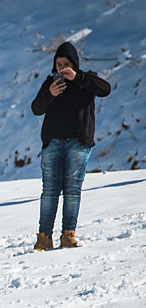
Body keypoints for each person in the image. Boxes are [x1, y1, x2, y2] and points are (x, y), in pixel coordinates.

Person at [31, 42, 111, 251]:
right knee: (49, 191)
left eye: (66, 64)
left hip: (78, 142)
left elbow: (105, 89)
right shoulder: (50, 83)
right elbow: (36, 109)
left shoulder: (85, 80)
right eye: (58, 64)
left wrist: (79, 78)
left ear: (74, 64)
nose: (61, 68)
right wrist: (50, 94)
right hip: (53, 143)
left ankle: (68, 234)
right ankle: (44, 237)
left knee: (72, 190)